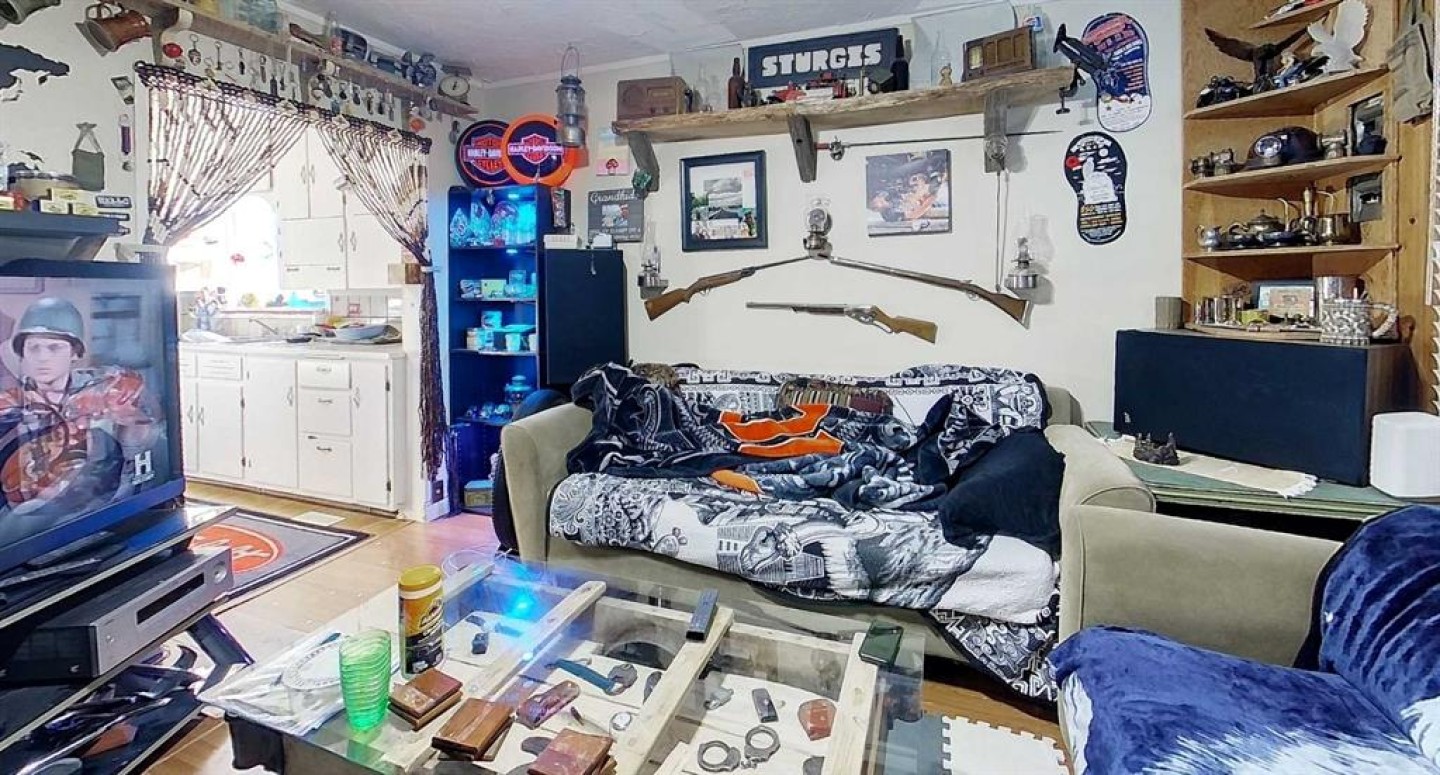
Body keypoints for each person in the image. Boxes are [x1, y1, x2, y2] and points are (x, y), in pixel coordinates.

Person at [0, 297, 159, 512]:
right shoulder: (8, 406)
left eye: (54, 347)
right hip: (36, 514)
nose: (42, 357)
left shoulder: (108, 388)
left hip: (107, 502)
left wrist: (133, 428)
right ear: (23, 354)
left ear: (74, 352)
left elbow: (147, 449)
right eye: (33, 348)